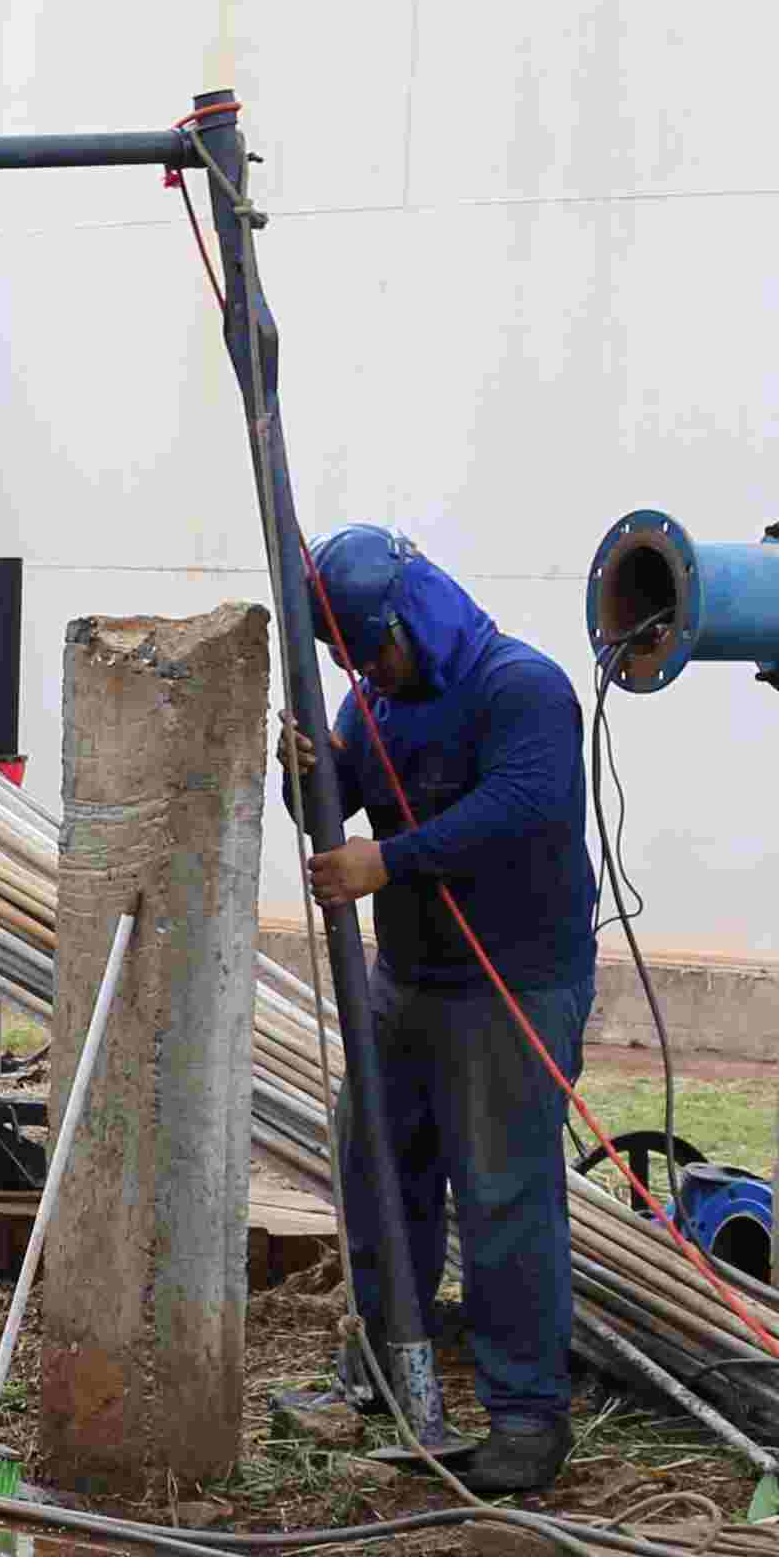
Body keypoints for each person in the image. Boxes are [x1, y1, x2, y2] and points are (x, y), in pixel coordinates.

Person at [289, 525, 601, 1499]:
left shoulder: (524, 689)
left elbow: (520, 806)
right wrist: (307, 775)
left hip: (511, 985)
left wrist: (388, 859)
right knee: (380, 1173)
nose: (365, 669)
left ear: (416, 616)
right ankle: (390, 1372)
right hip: (411, 984)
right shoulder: (376, 700)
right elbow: (336, 807)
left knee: (504, 1196)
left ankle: (526, 1417)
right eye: (347, 658)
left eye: (370, 647)